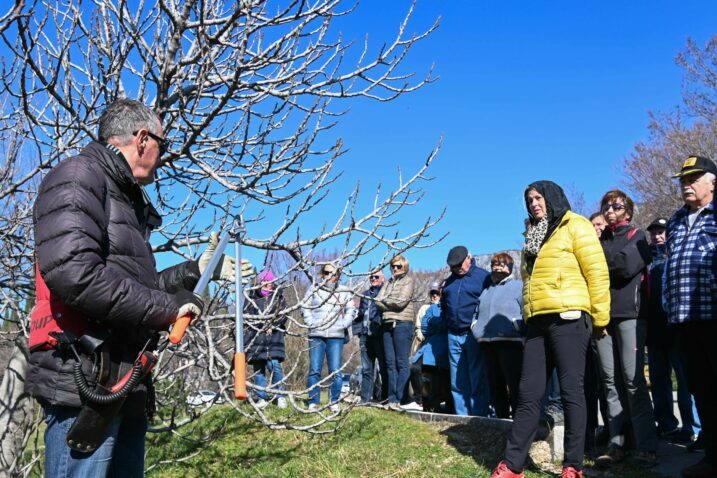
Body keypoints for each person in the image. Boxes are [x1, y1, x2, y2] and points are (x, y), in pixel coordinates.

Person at [24, 99, 230, 476]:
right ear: (141, 138)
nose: (161, 155)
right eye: (162, 145)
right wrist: (168, 310)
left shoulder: (122, 196)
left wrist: (193, 272)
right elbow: (75, 273)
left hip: (122, 378)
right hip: (85, 378)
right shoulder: (79, 177)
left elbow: (134, 286)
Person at [491, 180, 609, 478]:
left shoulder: (576, 225)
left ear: (553, 198)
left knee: (571, 392)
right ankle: (512, 465)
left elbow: (596, 271)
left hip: (570, 317)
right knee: (528, 394)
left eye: (538, 198)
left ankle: (573, 466)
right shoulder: (532, 238)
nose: (533, 204)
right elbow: (529, 282)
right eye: (529, 200)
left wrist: (600, 318)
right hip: (537, 321)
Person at [593, 189, 657, 470]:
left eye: (616, 206)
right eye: (606, 206)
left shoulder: (638, 236)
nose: (609, 210)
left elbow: (626, 265)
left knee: (633, 382)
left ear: (627, 211)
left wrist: (599, 267)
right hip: (603, 318)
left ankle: (646, 447)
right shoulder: (599, 240)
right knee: (610, 382)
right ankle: (617, 444)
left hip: (631, 315)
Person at [663, 155, 717, 478]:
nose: (687, 183)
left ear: (713, 181)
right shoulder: (675, 221)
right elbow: (672, 265)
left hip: (713, 316)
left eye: (694, 178)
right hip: (684, 320)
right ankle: (712, 458)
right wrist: (669, 305)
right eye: (683, 179)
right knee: (703, 390)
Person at [644, 217, 697, 443]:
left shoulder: (677, 256)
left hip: (675, 328)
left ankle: (692, 427)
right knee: (658, 379)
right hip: (654, 331)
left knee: (685, 381)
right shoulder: (645, 261)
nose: (658, 236)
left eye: (661, 231)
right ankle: (666, 424)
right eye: (654, 232)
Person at [470, 252, 524, 419]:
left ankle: (518, 421)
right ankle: (500, 419)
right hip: (487, 343)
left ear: (509, 268)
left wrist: (519, 329)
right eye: (494, 265)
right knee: (495, 385)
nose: (497, 268)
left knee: (514, 384)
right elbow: (476, 315)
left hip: (511, 343)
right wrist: (476, 329)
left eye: (502, 265)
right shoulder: (485, 291)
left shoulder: (518, 286)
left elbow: (526, 311)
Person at [441, 245, 491, 416]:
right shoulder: (448, 282)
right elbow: (444, 306)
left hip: (473, 334)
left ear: (469, 258)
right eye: (453, 267)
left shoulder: (483, 277)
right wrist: (446, 322)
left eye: (460, 264)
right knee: (457, 380)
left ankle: (478, 416)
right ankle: (461, 417)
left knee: (477, 377)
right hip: (453, 334)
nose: (458, 268)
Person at [302, 263, 356, 412]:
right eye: (327, 273)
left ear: (338, 275)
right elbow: (304, 306)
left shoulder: (344, 291)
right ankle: (313, 401)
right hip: (316, 334)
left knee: (336, 370)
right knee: (314, 369)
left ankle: (334, 401)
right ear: (322, 274)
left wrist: (344, 323)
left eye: (334, 273)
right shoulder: (314, 289)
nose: (330, 276)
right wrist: (310, 322)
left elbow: (351, 308)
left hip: (336, 335)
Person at [375, 254, 417, 411]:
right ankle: (391, 398)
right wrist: (386, 303)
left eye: (398, 266)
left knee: (402, 362)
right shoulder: (387, 283)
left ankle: (400, 398)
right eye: (393, 266)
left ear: (405, 267)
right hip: (387, 325)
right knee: (389, 364)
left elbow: (401, 303)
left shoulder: (409, 281)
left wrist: (385, 303)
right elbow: (377, 300)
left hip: (402, 324)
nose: (395, 269)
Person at [245, 269, 288, 409]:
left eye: (269, 281)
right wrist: (261, 326)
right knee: (259, 370)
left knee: (274, 366)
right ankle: (261, 397)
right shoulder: (251, 296)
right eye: (264, 281)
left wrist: (272, 325)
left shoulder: (278, 296)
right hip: (256, 338)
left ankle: (280, 396)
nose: (267, 284)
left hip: (274, 338)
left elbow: (282, 315)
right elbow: (246, 314)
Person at [404, 281, 442, 412]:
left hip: (440, 344)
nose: (435, 296)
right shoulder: (426, 308)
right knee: (416, 367)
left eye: (437, 293)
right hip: (423, 342)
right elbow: (423, 325)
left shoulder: (444, 307)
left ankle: (434, 403)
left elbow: (443, 323)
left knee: (434, 373)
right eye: (433, 293)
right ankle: (419, 399)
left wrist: (434, 326)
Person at [354, 269, 388, 404]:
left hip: (379, 335)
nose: (373, 278)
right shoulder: (365, 295)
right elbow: (361, 314)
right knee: (367, 369)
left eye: (376, 276)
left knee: (384, 367)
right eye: (371, 277)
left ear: (382, 279)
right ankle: (365, 399)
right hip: (365, 335)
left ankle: (385, 398)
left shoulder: (385, 292)